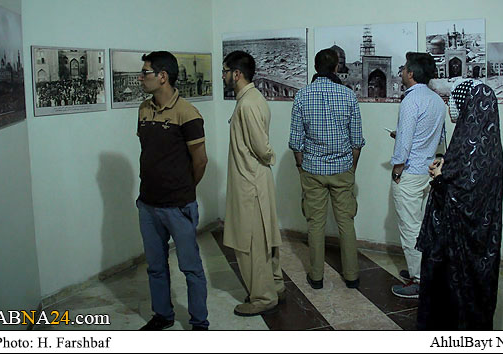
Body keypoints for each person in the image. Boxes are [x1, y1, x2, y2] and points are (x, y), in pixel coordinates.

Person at [416, 79, 503, 330]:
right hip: (480, 241)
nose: (450, 106)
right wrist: (445, 163)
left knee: (454, 296)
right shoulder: (485, 141)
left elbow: (462, 195)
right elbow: (464, 169)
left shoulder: (472, 143)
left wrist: (439, 178)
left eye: (455, 101)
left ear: (469, 106)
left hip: (460, 246)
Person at [136, 51, 209, 331]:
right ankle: (163, 315)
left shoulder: (187, 114)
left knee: (190, 267)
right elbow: (149, 152)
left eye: (146, 72)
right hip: (148, 204)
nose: (141, 78)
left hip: (178, 205)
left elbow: (200, 161)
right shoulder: (144, 109)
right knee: (155, 266)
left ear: (162, 77)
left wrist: (185, 189)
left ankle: (199, 322)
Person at [288, 48, 365, 290]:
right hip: (342, 168)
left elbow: (296, 142)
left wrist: (301, 166)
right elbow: (357, 141)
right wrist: (351, 169)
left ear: (315, 67)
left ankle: (316, 277)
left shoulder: (302, 95)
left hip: (312, 169)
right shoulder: (348, 95)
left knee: (315, 224)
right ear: (336, 68)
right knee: (346, 223)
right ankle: (351, 276)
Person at [222, 51, 285, 317]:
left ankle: (263, 297)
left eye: (225, 71)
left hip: (250, 182)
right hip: (255, 178)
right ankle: (275, 284)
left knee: (251, 242)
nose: (223, 76)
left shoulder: (247, 104)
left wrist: (269, 156)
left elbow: (261, 147)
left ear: (237, 74)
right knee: (264, 237)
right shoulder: (253, 98)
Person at [389, 52, 447, 299]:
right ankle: (423, 270)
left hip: (410, 172)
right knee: (423, 225)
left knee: (410, 227)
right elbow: (440, 137)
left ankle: (419, 281)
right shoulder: (437, 100)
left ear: (411, 73)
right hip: (429, 171)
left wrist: (397, 169)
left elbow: (404, 143)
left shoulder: (411, 101)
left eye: (404, 68)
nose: (401, 72)